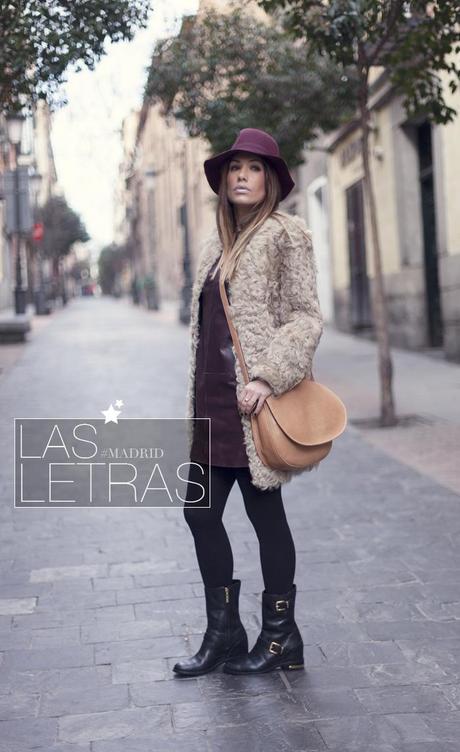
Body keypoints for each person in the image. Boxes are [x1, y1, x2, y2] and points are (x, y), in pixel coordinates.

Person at [173, 128, 323, 677]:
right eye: (235, 166)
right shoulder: (216, 245)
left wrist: (267, 376)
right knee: (198, 512)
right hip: (210, 402)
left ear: (272, 181)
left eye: (255, 168)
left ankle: (282, 637)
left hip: (253, 404)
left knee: (265, 516)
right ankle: (226, 632)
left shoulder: (286, 235)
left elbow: (306, 316)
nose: (242, 176)